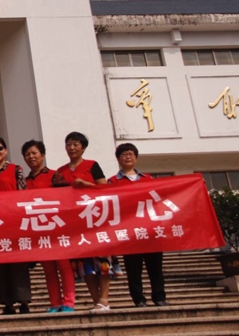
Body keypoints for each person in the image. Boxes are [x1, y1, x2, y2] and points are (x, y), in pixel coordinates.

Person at [56, 131, 116, 312]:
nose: (72, 148)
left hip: (96, 220)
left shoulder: (92, 165)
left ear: (83, 148)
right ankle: (96, 300)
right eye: (69, 144)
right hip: (75, 224)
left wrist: (87, 185)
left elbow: (105, 188)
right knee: (84, 264)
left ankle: (104, 299)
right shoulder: (61, 171)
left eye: (76, 144)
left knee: (103, 261)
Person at [109, 143, 168, 308]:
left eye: (131, 154)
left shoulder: (148, 179)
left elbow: (158, 200)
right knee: (133, 269)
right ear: (118, 159)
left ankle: (159, 297)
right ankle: (139, 299)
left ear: (136, 158)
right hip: (129, 232)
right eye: (124, 154)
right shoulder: (113, 181)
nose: (127, 157)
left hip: (150, 230)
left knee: (155, 267)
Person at [22, 139, 76, 313]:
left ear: (43, 155)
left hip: (57, 227)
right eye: (27, 154)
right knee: (48, 268)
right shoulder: (24, 182)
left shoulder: (55, 175)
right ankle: (55, 302)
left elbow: (66, 199)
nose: (31, 157)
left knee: (64, 266)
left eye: (34, 153)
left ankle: (68, 302)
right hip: (38, 229)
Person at [0, 137, 32, 315]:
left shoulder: (16, 170)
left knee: (19, 263)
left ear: (5, 150)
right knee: (0, 265)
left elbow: (23, 193)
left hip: (15, 222)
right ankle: (8, 303)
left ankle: (24, 302)